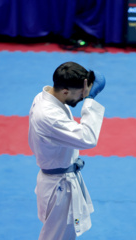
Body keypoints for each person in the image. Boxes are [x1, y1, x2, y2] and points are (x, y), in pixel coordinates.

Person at [28, 61, 105, 240]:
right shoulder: (49, 116)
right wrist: (90, 101)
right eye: (80, 93)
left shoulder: (46, 96)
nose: (82, 97)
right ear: (65, 91)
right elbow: (87, 138)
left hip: (59, 177)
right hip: (59, 188)